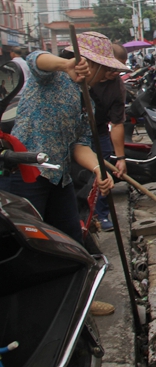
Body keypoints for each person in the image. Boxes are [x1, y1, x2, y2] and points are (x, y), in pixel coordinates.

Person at [0, 32, 123, 243]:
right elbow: (35, 58)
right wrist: (66, 65)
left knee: (70, 238)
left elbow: (80, 145)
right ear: (89, 64)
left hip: (59, 176)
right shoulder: (52, 77)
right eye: (105, 68)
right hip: (26, 171)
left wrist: (98, 170)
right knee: (28, 240)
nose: (106, 75)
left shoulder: (88, 103)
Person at [89, 43, 129, 232]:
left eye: (119, 69)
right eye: (112, 68)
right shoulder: (83, 78)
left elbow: (117, 123)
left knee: (102, 173)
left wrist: (121, 158)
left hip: (100, 132)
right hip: (76, 133)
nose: (115, 72)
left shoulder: (117, 87)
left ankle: (101, 215)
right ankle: (83, 215)